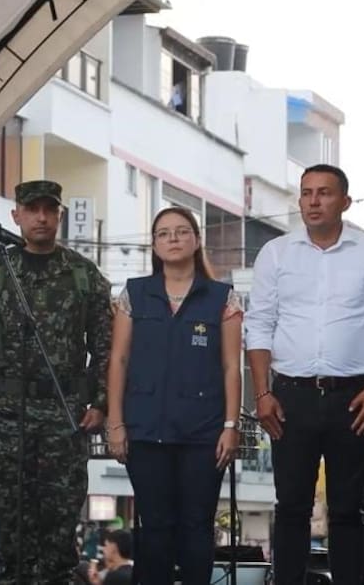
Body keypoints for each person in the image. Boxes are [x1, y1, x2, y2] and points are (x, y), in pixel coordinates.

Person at [245, 163, 364, 585]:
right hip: (289, 396)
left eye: (324, 193)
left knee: (348, 508)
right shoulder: (276, 254)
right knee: (291, 506)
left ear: (345, 201)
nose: (314, 202)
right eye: (307, 193)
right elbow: (258, 325)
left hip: (353, 397)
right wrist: (262, 393)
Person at [0, 180, 112, 585]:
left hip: (64, 416)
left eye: (48, 209)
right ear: (16, 216)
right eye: (32, 209)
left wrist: (101, 401)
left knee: (60, 527)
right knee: (12, 527)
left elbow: (107, 344)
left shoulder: (82, 275)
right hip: (6, 417)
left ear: (59, 215)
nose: (41, 217)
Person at [106, 206, 242, 585]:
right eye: (164, 233)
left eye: (182, 232)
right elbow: (118, 360)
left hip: (204, 433)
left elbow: (233, 366)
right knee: (154, 529)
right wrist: (115, 422)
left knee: (197, 527)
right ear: (154, 244)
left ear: (197, 240)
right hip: (145, 430)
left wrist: (231, 425)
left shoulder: (222, 297)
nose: (173, 239)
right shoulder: (134, 294)